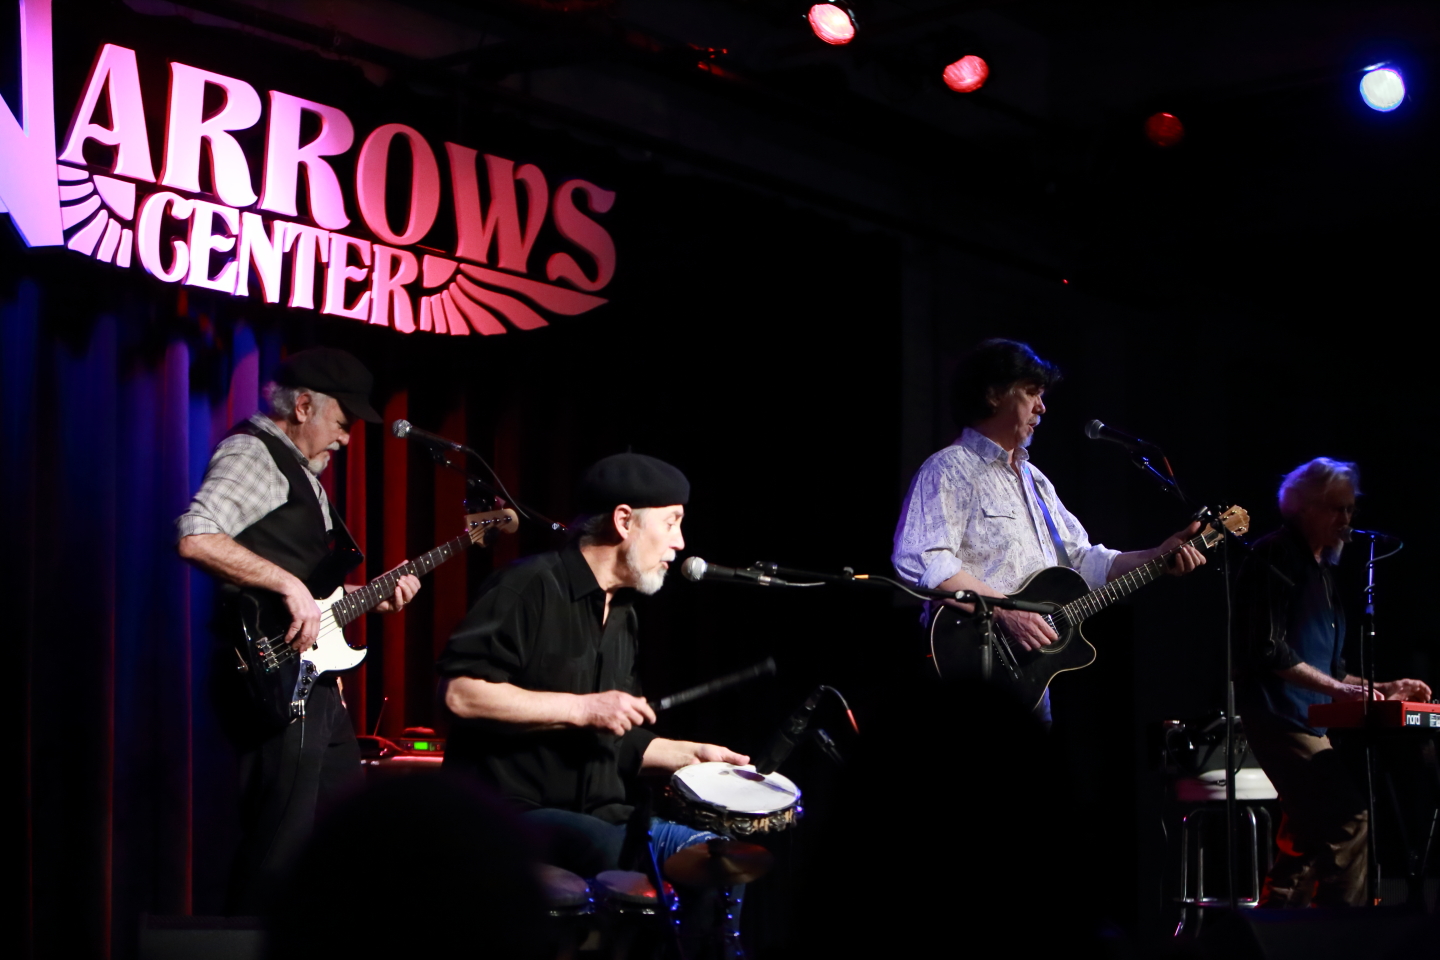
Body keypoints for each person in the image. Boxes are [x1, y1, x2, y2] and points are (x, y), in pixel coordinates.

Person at [437, 452, 750, 948]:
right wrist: (584, 708)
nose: (680, 542)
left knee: (720, 858)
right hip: (511, 813)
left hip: (599, 813)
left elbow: (618, 739)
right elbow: (460, 693)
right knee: (624, 849)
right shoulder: (528, 587)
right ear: (624, 522)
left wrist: (692, 757)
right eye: (671, 522)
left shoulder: (623, 615)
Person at [175, 346, 421, 913]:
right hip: (275, 677)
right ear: (304, 406)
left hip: (315, 685)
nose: (347, 439)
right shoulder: (254, 452)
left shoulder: (306, 477)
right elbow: (196, 534)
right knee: (278, 849)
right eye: (343, 422)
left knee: (342, 837)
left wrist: (369, 597)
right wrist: (286, 583)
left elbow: (314, 595)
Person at [891, 338, 1206, 720]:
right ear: (994, 395)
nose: (1042, 406)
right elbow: (921, 558)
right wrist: (1005, 611)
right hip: (970, 672)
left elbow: (1082, 561)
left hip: (1029, 683)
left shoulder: (1035, 480)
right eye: (1031, 392)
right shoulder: (950, 468)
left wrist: (1157, 556)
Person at [1235, 457, 1430, 908]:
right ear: (1304, 508)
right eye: (1336, 509)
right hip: (1279, 715)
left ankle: (1277, 933)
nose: (1347, 520)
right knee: (1348, 821)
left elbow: (1332, 669)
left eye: (1350, 509)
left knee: (1305, 843)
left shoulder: (1320, 571)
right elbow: (1268, 648)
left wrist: (1386, 687)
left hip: (1306, 718)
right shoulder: (1275, 556)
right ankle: (1342, 934)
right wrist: (1341, 691)